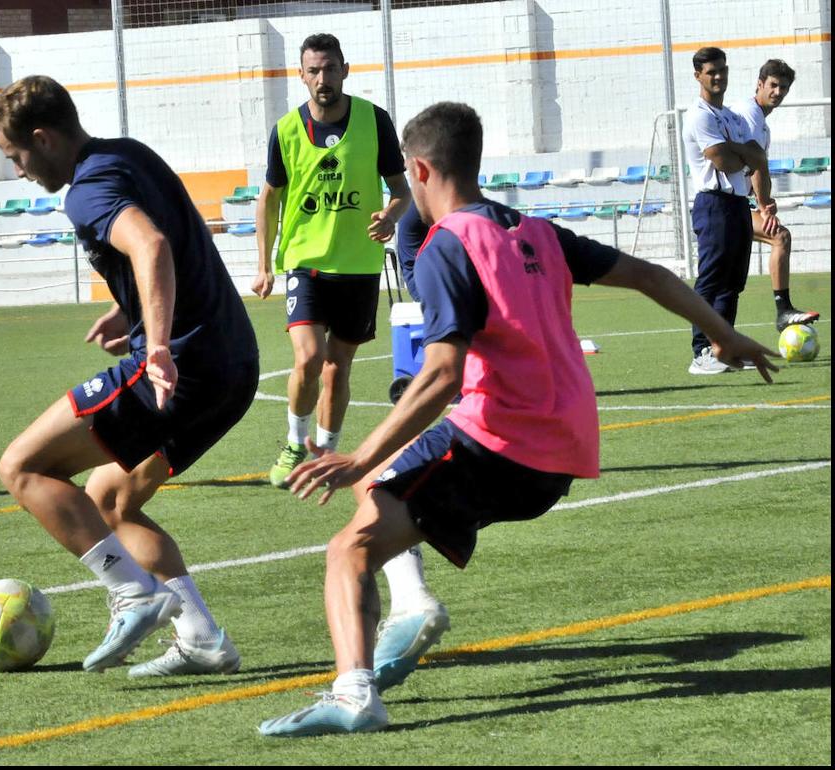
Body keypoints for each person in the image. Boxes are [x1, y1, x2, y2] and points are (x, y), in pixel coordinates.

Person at [258, 102, 778, 737]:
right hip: (563, 454)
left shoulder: (444, 247)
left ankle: (354, 693)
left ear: (418, 170)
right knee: (383, 490)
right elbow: (649, 273)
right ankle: (405, 616)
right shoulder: (538, 230)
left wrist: (356, 455)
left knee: (348, 549)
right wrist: (725, 335)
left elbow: (443, 374)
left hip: (497, 441)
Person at [0, 76, 260, 676]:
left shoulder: (85, 191)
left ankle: (131, 592)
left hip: (178, 367)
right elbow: (174, 245)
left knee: (22, 466)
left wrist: (155, 344)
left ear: (42, 137)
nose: (19, 171)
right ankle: (201, 636)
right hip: (233, 366)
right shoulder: (129, 153)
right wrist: (131, 309)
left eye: (17, 157)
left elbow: (153, 246)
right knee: (111, 499)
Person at [253, 32, 412, 486]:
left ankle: (325, 451)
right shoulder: (285, 130)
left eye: (330, 68)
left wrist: (391, 215)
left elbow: (401, 190)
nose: (323, 77)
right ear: (301, 76)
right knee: (308, 359)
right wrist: (264, 265)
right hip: (305, 262)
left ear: (345, 69)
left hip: (359, 265)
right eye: (313, 70)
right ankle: (292, 442)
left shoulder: (374, 120)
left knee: (337, 368)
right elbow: (268, 199)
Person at [682, 46, 771, 375]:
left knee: (733, 282)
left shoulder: (732, 117)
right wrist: (741, 153)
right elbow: (724, 160)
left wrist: (741, 153)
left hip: (737, 203)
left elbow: (757, 157)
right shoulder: (700, 115)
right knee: (711, 278)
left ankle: (724, 348)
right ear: (698, 76)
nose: (718, 76)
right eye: (711, 72)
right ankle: (701, 350)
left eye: (722, 70)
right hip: (713, 203)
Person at [728, 58, 821, 332]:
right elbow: (755, 164)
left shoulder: (758, 120)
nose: (778, 92)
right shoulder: (750, 115)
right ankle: (783, 311)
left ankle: (718, 339)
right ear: (759, 84)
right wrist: (765, 207)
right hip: (724, 204)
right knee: (779, 236)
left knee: (729, 279)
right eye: (773, 85)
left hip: (735, 203)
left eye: (783, 88)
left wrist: (762, 201)